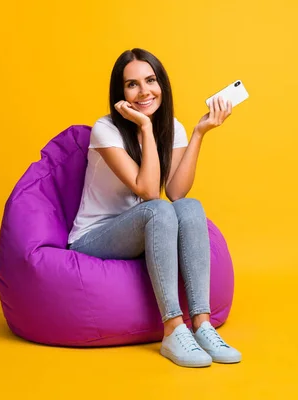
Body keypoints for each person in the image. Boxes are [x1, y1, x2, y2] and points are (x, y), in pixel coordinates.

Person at [67, 48, 241, 368]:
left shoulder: (172, 127)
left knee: (189, 206)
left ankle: (202, 324)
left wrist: (199, 132)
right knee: (158, 209)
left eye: (150, 80)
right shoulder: (105, 128)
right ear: (120, 94)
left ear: (162, 84)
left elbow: (176, 191)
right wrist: (145, 127)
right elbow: (149, 192)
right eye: (132, 85)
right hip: (94, 238)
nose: (144, 91)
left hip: (141, 226)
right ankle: (173, 329)